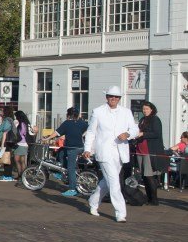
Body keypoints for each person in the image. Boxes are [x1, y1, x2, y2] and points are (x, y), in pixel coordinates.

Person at [83, 86, 139, 222]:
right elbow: (91, 131)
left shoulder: (126, 112)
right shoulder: (98, 112)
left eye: (116, 97)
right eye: (110, 96)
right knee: (114, 182)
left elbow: (135, 129)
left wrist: (128, 134)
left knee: (106, 182)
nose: (113, 99)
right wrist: (87, 148)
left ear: (119, 98)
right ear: (106, 97)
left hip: (120, 152)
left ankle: (93, 201)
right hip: (104, 151)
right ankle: (120, 213)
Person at [44, 107, 89, 196]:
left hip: (72, 148)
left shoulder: (67, 123)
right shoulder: (82, 123)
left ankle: (72, 189)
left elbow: (56, 132)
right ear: (78, 115)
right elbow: (89, 129)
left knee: (71, 168)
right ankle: (62, 172)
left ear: (68, 115)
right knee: (61, 152)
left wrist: (47, 138)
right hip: (80, 147)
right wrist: (82, 135)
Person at [135, 101, 166, 206]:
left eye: (147, 109)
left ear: (152, 109)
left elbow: (156, 134)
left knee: (149, 175)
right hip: (140, 150)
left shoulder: (155, 119)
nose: (145, 111)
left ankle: (154, 200)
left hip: (149, 151)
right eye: (143, 109)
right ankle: (148, 198)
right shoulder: (142, 119)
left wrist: (143, 133)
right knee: (143, 175)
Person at [0, 106, 16, 182]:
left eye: (3, 111)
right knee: (8, 158)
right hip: (10, 142)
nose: (1, 112)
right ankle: (8, 175)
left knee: (6, 158)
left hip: (6, 141)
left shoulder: (7, 121)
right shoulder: (11, 120)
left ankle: (7, 176)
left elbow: (4, 132)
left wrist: (2, 144)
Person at [12, 111, 33, 185]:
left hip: (20, 144)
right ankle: (23, 176)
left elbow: (21, 133)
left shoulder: (21, 124)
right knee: (22, 161)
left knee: (17, 160)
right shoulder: (26, 124)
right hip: (25, 144)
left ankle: (21, 175)